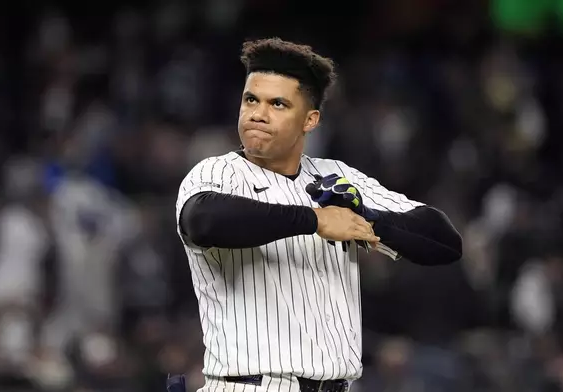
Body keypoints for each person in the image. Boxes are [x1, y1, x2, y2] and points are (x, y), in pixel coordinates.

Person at [175, 37, 462, 392]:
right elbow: (203, 220)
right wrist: (315, 219)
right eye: (251, 100)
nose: (258, 114)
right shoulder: (217, 173)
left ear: (310, 120)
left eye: (278, 104)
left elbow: (443, 241)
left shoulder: (337, 175)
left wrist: (365, 217)